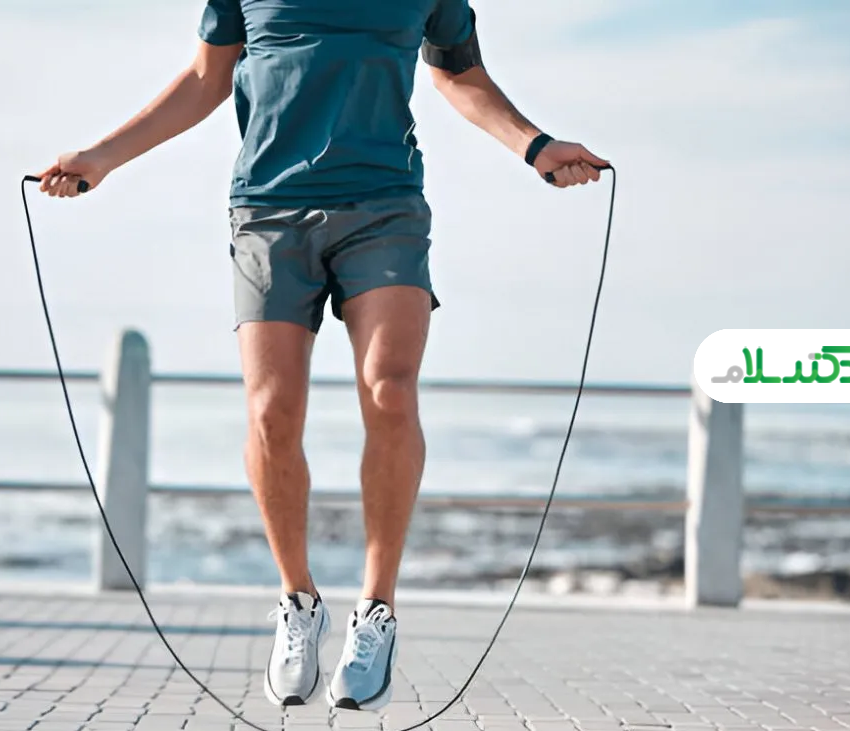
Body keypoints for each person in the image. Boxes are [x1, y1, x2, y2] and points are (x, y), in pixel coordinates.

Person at [36, 0, 608, 712]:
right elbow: (206, 79)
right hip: (268, 211)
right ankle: (298, 603)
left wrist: (535, 145)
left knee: (390, 389)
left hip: (385, 206)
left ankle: (377, 610)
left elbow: (459, 75)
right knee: (271, 413)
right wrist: (101, 158)